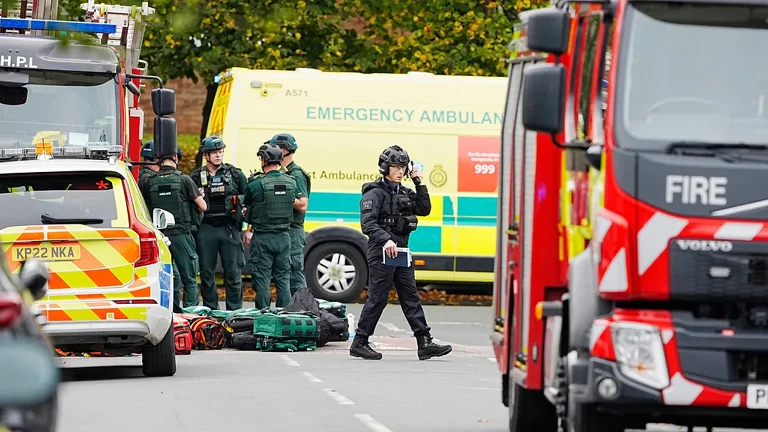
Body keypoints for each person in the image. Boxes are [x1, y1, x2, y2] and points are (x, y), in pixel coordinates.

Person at [350, 145, 452, 361]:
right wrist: (385, 239)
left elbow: (424, 209)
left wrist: (418, 182)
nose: (400, 171)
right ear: (385, 167)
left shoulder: (404, 192)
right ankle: (359, 342)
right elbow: (367, 224)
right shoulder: (374, 193)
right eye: (396, 167)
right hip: (381, 251)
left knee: (411, 296)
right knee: (378, 298)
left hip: (401, 251)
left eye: (403, 167)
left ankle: (424, 342)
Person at [141, 145, 207, 310]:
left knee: (169, 277)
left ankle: (172, 311)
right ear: (176, 158)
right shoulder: (183, 179)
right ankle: (191, 313)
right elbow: (203, 206)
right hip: (181, 235)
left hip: (161, 236)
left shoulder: (150, 181)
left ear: (158, 160)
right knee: (189, 278)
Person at [190, 136, 248, 311]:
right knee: (206, 273)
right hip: (206, 228)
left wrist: (248, 226)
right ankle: (211, 312)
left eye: (220, 151)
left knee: (234, 273)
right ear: (205, 155)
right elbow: (187, 205)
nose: (218, 155)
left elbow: (249, 201)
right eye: (214, 152)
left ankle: (235, 313)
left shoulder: (236, 175)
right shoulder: (195, 177)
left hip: (229, 227)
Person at [243, 143, 296, 309]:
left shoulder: (256, 184)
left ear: (264, 160)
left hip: (263, 238)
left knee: (262, 280)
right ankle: (284, 315)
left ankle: (263, 316)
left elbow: (246, 203)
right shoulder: (291, 182)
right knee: (283, 279)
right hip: (284, 238)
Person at [268, 133, 310, 295]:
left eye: (274, 148)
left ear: (284, 150)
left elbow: (303, 204)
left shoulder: (296, 174)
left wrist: (283, 196)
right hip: (282, 230)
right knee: (283, 275)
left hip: (293, 231)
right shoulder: (281, 173)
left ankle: (302, 306)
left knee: (295, 274)